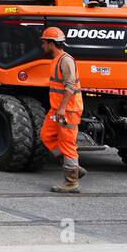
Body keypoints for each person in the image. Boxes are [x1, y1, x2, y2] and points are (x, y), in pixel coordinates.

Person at [37, 27, 85, 195]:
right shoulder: (57, 59)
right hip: (57, 109)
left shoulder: (66, 60)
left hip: (68, 110)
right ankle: (74, 167)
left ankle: (71, 181)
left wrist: (63, 108)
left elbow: (70, 87)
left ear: (51, 44)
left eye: (44, 42)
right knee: (46, 135)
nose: (43, 46)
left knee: (67, 144)